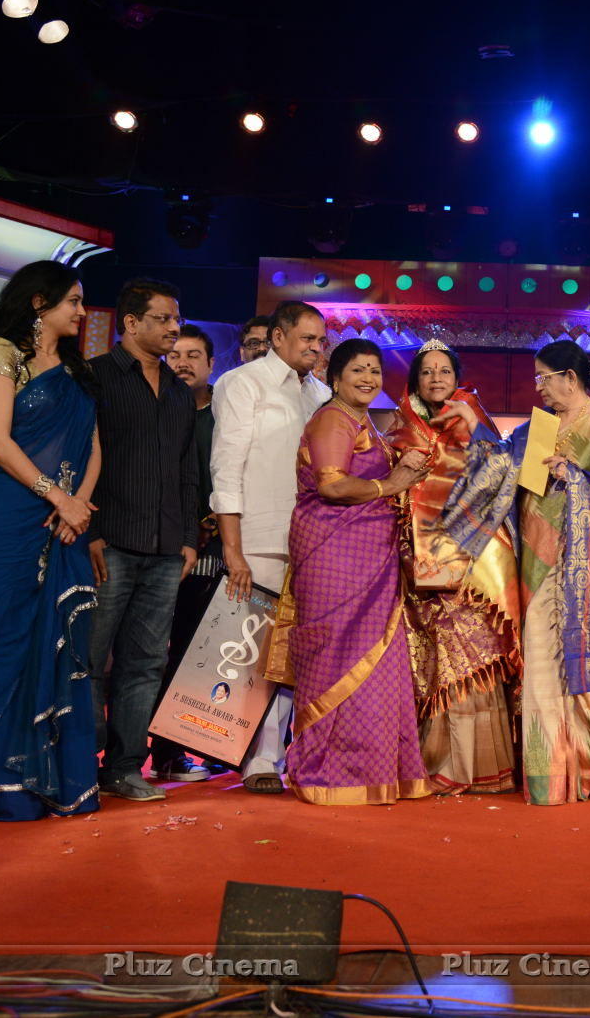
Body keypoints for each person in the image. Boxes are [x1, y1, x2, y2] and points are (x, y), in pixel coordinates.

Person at [437, 340, 590, 804]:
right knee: (542, 660)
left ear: (569, 378)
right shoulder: (540, 428)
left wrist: (575, 476)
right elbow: (498, 470)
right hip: (539, 561)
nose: (539, 388)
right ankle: (548, 770)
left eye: (543, 378)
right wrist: (475, 429)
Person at [0, 261, 102, 820]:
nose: (82, 313)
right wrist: (54, 495)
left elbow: (94, 445)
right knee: (2, 635)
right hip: (7, 514)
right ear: (40, 303)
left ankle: (57, 780)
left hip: (64, 518)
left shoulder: (75, 369)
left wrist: (79, 505)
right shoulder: (3, 353)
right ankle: (1, 783)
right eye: (73, 302)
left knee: (61, 635)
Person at [282, 339, 432, 804]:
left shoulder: (362, 421)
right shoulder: (332, 418)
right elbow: (332, 484)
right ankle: (330, 772)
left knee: (376, 661)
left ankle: (373, 770)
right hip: (335, 556)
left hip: (369, 554)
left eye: (374, 370)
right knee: (337, 657)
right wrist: (391, 482)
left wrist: (402, 467)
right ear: (335, 377)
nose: (367, 378)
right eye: (357, 371)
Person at [386, 339, 521, 795]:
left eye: (445, 371)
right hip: (419, 564)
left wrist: (475, 437)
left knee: (476, 655)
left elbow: (506, 482)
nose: (437, 378)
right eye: (427, 372)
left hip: (474, 567)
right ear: (415, 380)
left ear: (456, 377)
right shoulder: (400, 431)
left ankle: (480, 766)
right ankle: (436, 761)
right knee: (431, 659)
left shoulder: (476, 425)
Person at [85, 279, 199, 803]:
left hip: (164, 550)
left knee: (146, 661)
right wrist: (89, 532)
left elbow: (187, 472)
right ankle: (77, 763)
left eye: (176, 320)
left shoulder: (179, 392)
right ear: (130, 324)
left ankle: (125, 766)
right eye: (163, 319)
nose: (174, 329)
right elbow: (79, 461)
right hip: (108, 542)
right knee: (90, 656)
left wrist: (189, 539)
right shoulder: (97, 378)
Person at [211, 300, 331, 793]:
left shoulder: (322, 394)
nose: (315, 348)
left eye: (320, 341)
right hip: (259, 538)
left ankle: (272, 755)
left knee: (290, 655)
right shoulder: (242, 383)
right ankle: (249, 756)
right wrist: (232, 548)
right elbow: (226, 467)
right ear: (278, 337)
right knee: (252, 653)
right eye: (306, 339)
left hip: (312, 541)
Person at [153, 323, 221, 781]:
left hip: (219, 551)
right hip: (162, 549)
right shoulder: (157, 409)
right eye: (175, 355)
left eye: (193, 355)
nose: (183, 363)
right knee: (159, 653)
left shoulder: (227, 413)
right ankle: (162, 753)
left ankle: (199, 746)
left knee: (206, 654)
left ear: (211, 365)